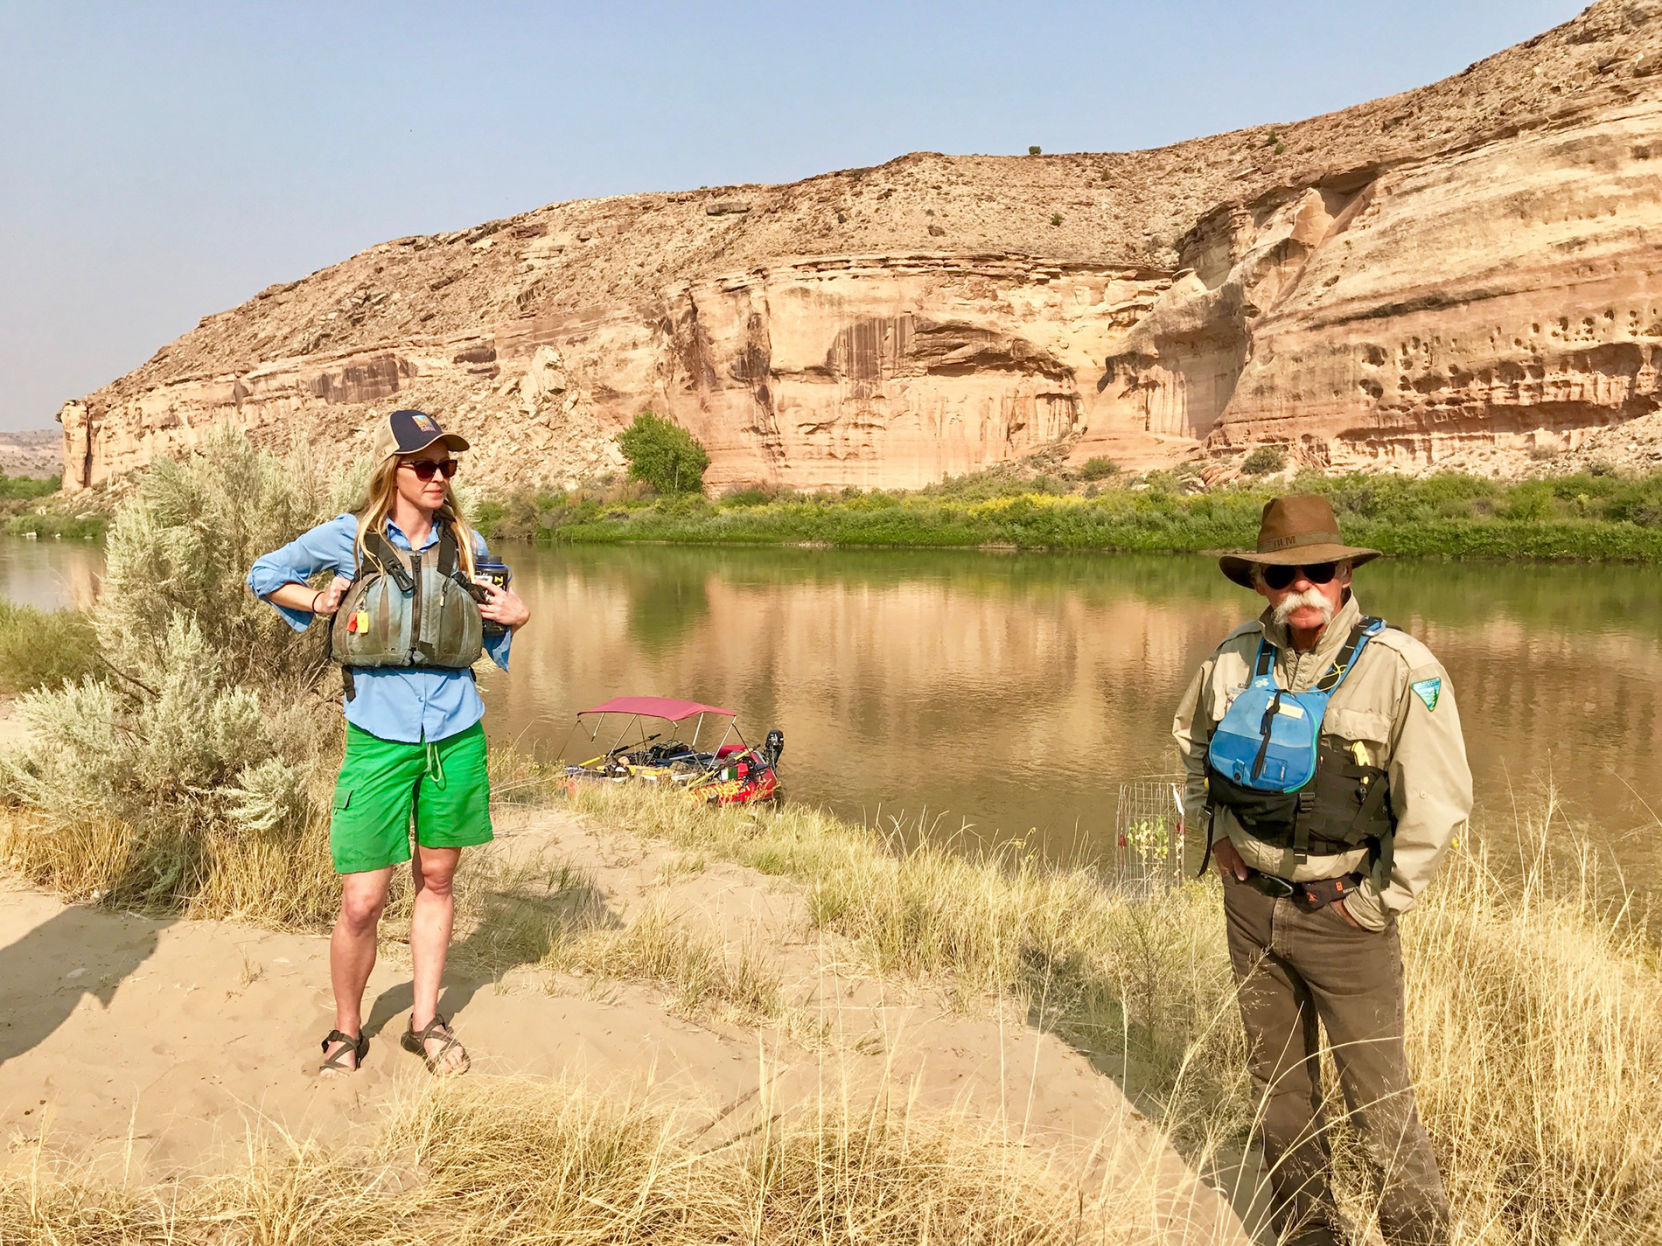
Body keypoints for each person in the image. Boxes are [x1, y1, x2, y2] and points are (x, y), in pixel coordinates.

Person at [1172, 493, 1471, 1246]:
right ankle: (1307, 1228)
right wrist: (1216, 842)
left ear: (1342, 574)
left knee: (1380, 1097)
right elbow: (1191, 743)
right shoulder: (1235, 655)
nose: (1300, 585)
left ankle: (1418, 1236)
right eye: (1282, 574)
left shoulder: (1403, 667)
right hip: (1250, 904)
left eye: (1316, 570)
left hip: (1346, 918)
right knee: (1278, 1087)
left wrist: (1377, 904)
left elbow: (1438, 801)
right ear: (1261, 584)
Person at [248, 409, 529, 1076]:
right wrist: (318, 604)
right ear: (394, 471)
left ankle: (424, 1021)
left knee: (437, 878)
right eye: (425, 464)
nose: (439, 476)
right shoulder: (347, 536)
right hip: (377, 736)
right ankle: (347, 1028)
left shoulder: (466, 541)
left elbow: (486, 626)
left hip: (454, 732)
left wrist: (518, 620)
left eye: (447, 465)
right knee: (363, 898)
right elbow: (265, 574)